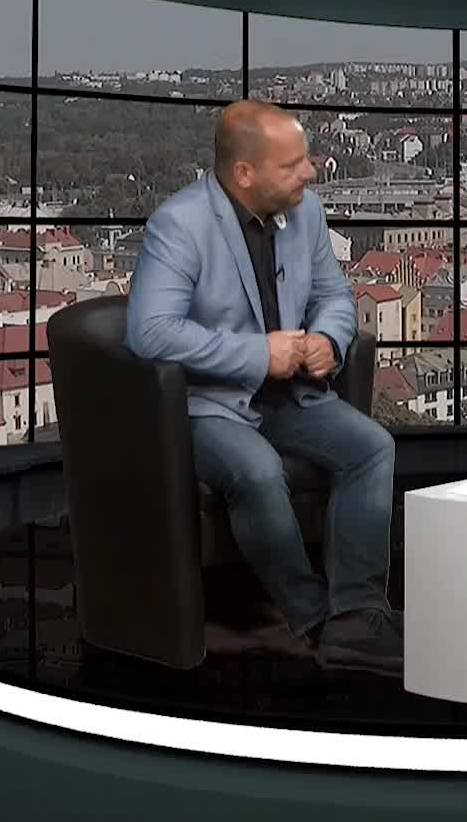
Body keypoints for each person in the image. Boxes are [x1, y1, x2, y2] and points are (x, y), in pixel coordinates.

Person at [125, 99, 402, 676]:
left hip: (293, 395)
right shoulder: (180, 225)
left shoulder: (307, 213)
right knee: (256, 470)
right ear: (244, 173)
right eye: (293, 164)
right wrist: (258, 354)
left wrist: (329, 339)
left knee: (373, 447)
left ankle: (358, 616)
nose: (311, 172)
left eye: (307, 160)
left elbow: (334, 294)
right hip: (207, 406)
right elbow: (150, 333)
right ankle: (315, 619)